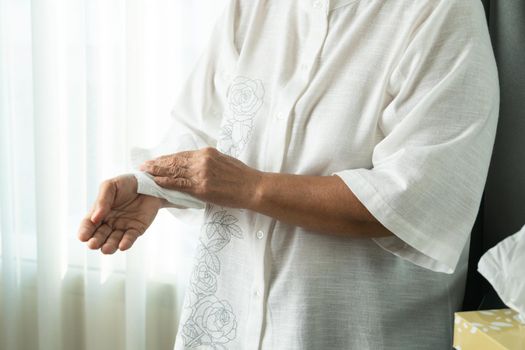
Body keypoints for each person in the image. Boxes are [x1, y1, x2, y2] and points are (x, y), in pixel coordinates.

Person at [77, 0, 500, 348]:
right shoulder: (253, 7)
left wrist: (252, 188)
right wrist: (150, 187)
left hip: (351, 334)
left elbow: (414, 200)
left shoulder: (442, 12)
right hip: (228, 328)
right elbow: (203, 131)